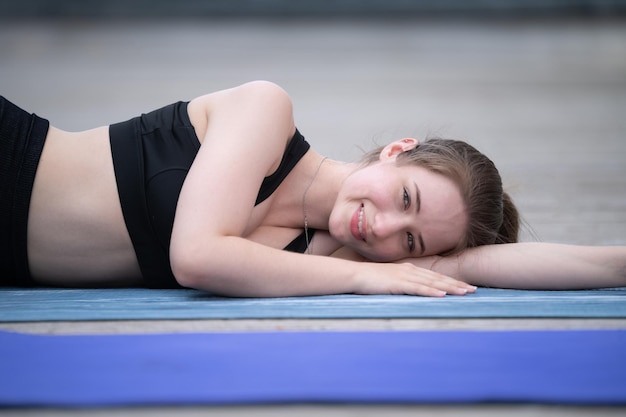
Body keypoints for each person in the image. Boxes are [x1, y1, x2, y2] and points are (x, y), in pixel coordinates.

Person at [1, 81, 624, 296]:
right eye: (403, 198)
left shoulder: (322, 255)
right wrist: (366, 276)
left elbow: (477, 264)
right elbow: (195, 256)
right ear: (397, 149)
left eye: (409, 243)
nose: (381, 229)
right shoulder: (265, 113)